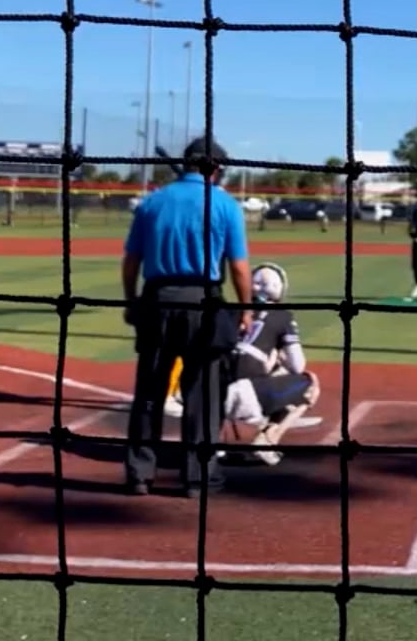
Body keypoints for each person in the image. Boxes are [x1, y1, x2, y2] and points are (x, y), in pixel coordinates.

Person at [122, 135, 254, 498]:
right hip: (204, 302)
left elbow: (131, 262)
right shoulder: (225, 204)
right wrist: (246, 309)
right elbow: (239, 267)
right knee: (202, 394)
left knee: (150, 391)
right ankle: (198, 478)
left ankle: (139, 474)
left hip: (157, 300)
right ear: (216, 168)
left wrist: (131, 301)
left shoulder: (152, 202)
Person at [216, 262, 321, 467]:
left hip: (213, 393)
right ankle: (268, 439)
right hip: (247, 395)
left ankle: (214, 442)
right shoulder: (283, 316)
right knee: (309, 383)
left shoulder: (231, 311)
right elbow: (297, 366)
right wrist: (279, 358)